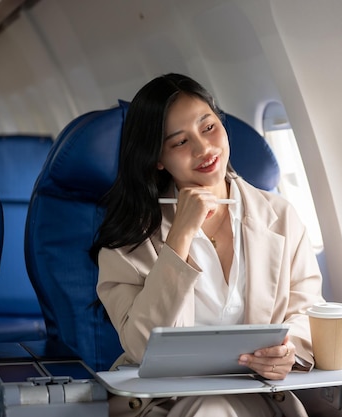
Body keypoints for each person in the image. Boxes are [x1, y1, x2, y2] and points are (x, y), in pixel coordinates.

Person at [90, 73, 325, 417]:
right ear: (158, 158)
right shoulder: (127, 240)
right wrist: (179, 238)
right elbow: (141, 346)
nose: (203, 149)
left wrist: (289, 351)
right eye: (180, 142)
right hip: (164, 402)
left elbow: (307, 311)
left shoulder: (280, 216)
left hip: (258, 394)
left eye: (208, 127)